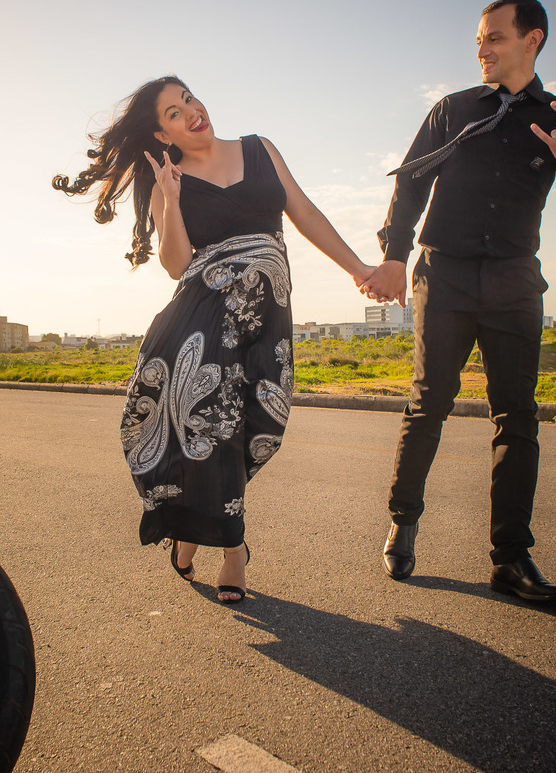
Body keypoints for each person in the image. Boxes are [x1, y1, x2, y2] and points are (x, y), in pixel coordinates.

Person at [54, 76, 376, 603]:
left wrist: (358, 268)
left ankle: (191, 527)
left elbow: (305, 212)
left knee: (258, 425)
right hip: (202, 321)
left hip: (265, 317)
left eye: (189, 99)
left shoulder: (259, 149)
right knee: (215, 426)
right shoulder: (168, 180)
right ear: (162, 135)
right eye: (175, 113)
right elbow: (177, 263)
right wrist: (172, 199)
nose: (192, 111)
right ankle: (232, 551)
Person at [360, 0, 556, 602]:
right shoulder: (453, 110)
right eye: (478, 39)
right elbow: (412, 181)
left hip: (513, 281)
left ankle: (511, 558)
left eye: (494, 38)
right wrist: (395, 254)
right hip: (443, 275)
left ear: (534, 40)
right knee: (430, 402)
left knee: (517, 418)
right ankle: (403, 521)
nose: (482, 49)